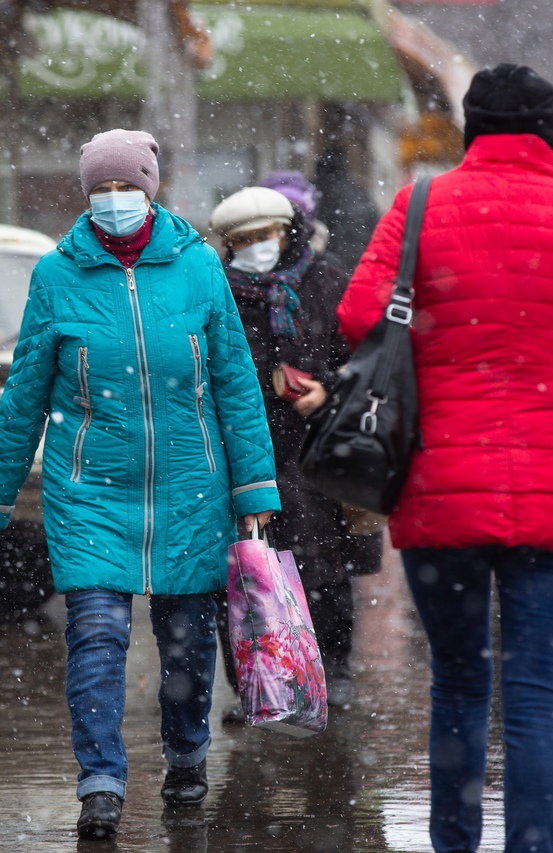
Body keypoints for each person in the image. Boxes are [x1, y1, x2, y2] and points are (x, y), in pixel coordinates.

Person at [338, 64, 553, 853]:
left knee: (457, 684)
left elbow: (358, 312)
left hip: (440, 495)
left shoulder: (418, 207)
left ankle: (454, 842)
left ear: (471, 131)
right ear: (550, 134)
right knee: (535, 698)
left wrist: (431, 322)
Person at [0, 129, 280, 840]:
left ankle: (188, 753)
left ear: (150, 189)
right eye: (99, 191)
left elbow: (235, 385)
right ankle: (101, 779)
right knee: (97, 634)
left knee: (188, 643)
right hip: (89, 491)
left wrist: (254, 493)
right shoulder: (57, 276)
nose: (113, 202)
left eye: (124, 188)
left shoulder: (199, 269)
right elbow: (24, 396)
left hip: (191, 489)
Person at [208, 185, 381, 715]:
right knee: (244, 571)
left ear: (288, 232)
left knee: (324, 569)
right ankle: (254, 680)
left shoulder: (327, 282)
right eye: (243, 240)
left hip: (317, 448)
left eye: (266, 236)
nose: (257, 247)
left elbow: (364, 361)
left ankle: (334, 668)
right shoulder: (216, 289)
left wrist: (326, 388)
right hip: (244, 450)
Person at [312, 146, 380, 274]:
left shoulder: (310, 192)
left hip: (320, 271)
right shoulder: (360, 194)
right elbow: (374, 231)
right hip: (353, 267)